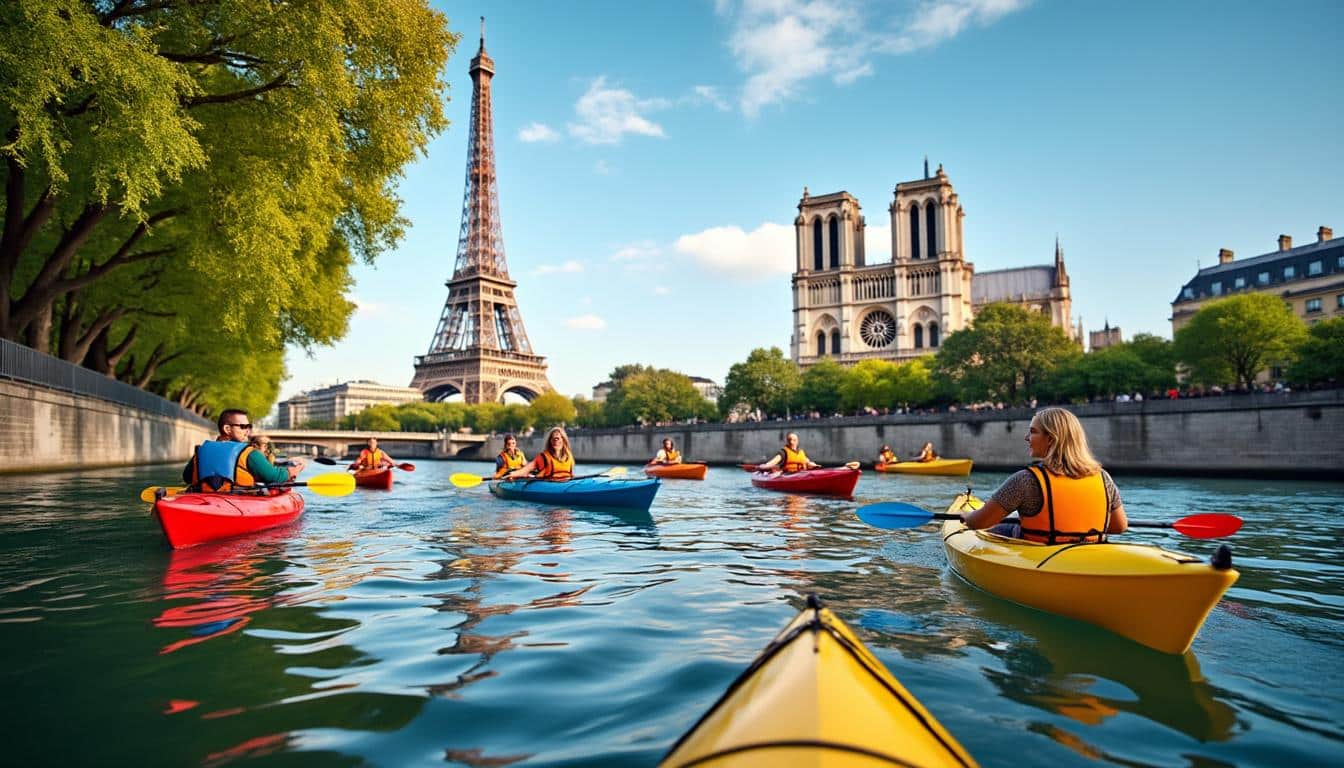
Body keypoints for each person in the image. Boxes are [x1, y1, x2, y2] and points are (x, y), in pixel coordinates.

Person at [961, 407, 1128, 543]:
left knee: (998, 528)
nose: (1027, 438)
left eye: (1033, 432)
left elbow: (980, 522)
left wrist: (967, 517)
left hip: (1040, 555)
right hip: (1089, 552)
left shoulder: (1026, 480)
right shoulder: (1103, 477)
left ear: (1050, 439)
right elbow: (1119, 526)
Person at [182, 409, 303, 491]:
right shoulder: (250, 453)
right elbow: (275, 477)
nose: (248, 431)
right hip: (238, 498)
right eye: (243, 426)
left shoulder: (202, 450)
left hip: (204, 499)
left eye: (249, 427)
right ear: (227, 428)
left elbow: (187, 477)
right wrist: (293, 471)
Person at [506, 426, 574, 480]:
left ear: (563, 440)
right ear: (550, 441)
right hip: (547, 483)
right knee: (526, 473)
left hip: (565, 483)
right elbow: (526, 469)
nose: (555, 441)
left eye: (557, 439)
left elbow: (571, 475)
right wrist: (512, 474)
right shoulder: (543, 457)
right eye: (552, 439)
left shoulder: (569, 456)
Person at [756, 432, 820, 473]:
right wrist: (763, 466)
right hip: (787, 474)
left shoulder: (801, 452)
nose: (792, 442)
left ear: (797, 441)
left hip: (801, 474)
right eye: (789, 440)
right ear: (787, 441)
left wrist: (813, 465)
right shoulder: (783, 452)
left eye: (794, 440)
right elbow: (773, 462)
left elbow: (807, 461)